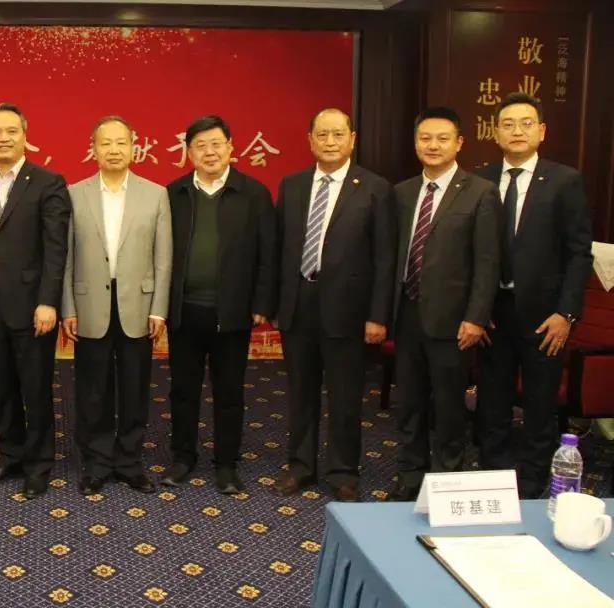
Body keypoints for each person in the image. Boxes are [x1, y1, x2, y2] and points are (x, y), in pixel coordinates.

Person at [274, 108, 396, 502]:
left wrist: (378, 315)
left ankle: (343, 471)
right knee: (301, 393)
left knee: (345, 396)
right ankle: (300, 465)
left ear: (352, 139)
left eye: (338, 134)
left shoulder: (375, 188)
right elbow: (280, 248)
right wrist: (276, 303)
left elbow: (385, 258)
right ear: (310, 139)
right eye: (322, 134)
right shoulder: (292, 185)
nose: (330, 142)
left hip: (349, 310)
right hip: (299, 304)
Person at [476, 92, 593, 499]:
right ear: (495, 133)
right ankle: (492, 473)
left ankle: (531, 481)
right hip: (493, 312)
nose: (517, 131)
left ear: (541, 131)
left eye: (526, 123)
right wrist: (475, 310)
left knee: (541, 402)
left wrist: (567, 314)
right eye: (507, 124)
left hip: (545, 316)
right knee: (492, 399)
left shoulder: (564, 180)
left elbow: (579, 253)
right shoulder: (480, 180)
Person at [387, 107, 500, 501]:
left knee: (449, 405)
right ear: (416, 142)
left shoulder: (480, 192)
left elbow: (487, 261)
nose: (432, 145)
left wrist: (476, 317)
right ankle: (410, 475)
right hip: (406, 313)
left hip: (454, 321)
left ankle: (447, 480)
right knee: (409, 402)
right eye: (425, 138)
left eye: (442, 138)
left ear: (459, 143)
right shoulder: (401, 193)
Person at [162, 115, 277, 495]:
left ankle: (226, 464)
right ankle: (182, 457)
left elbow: (268, 254)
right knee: (183, 390)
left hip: (232, 311)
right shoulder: (174, 193)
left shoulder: (253, 193)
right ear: (188, 152)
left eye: (216, 144)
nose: (209, 152)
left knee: (229, 392)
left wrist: (262, 302)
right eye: (200, 146)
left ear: (230, 147)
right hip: (184, 310)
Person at [0, 103, 72, 499]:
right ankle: (11, 455)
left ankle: (39, 464)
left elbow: (56, 248)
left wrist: (48, 301)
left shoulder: (47, 182)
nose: (3, 138)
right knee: (2, 386)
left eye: (11, 131)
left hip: (31, 305)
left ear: (25, 135)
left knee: (35, 387)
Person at [61, 116, 172, 496]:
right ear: (93, 149)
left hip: (138, 306)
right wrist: (67, 307)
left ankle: (129, 462)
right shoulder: (74, 194)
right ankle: (95, 463)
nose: (113, 149)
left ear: (133, 147)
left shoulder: (155, 194)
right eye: (105, 143)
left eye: (121, 142)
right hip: (88, 303)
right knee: (92, 390)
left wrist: (158, 309)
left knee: (134, 388)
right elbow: (65, 256)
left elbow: (163, 258)